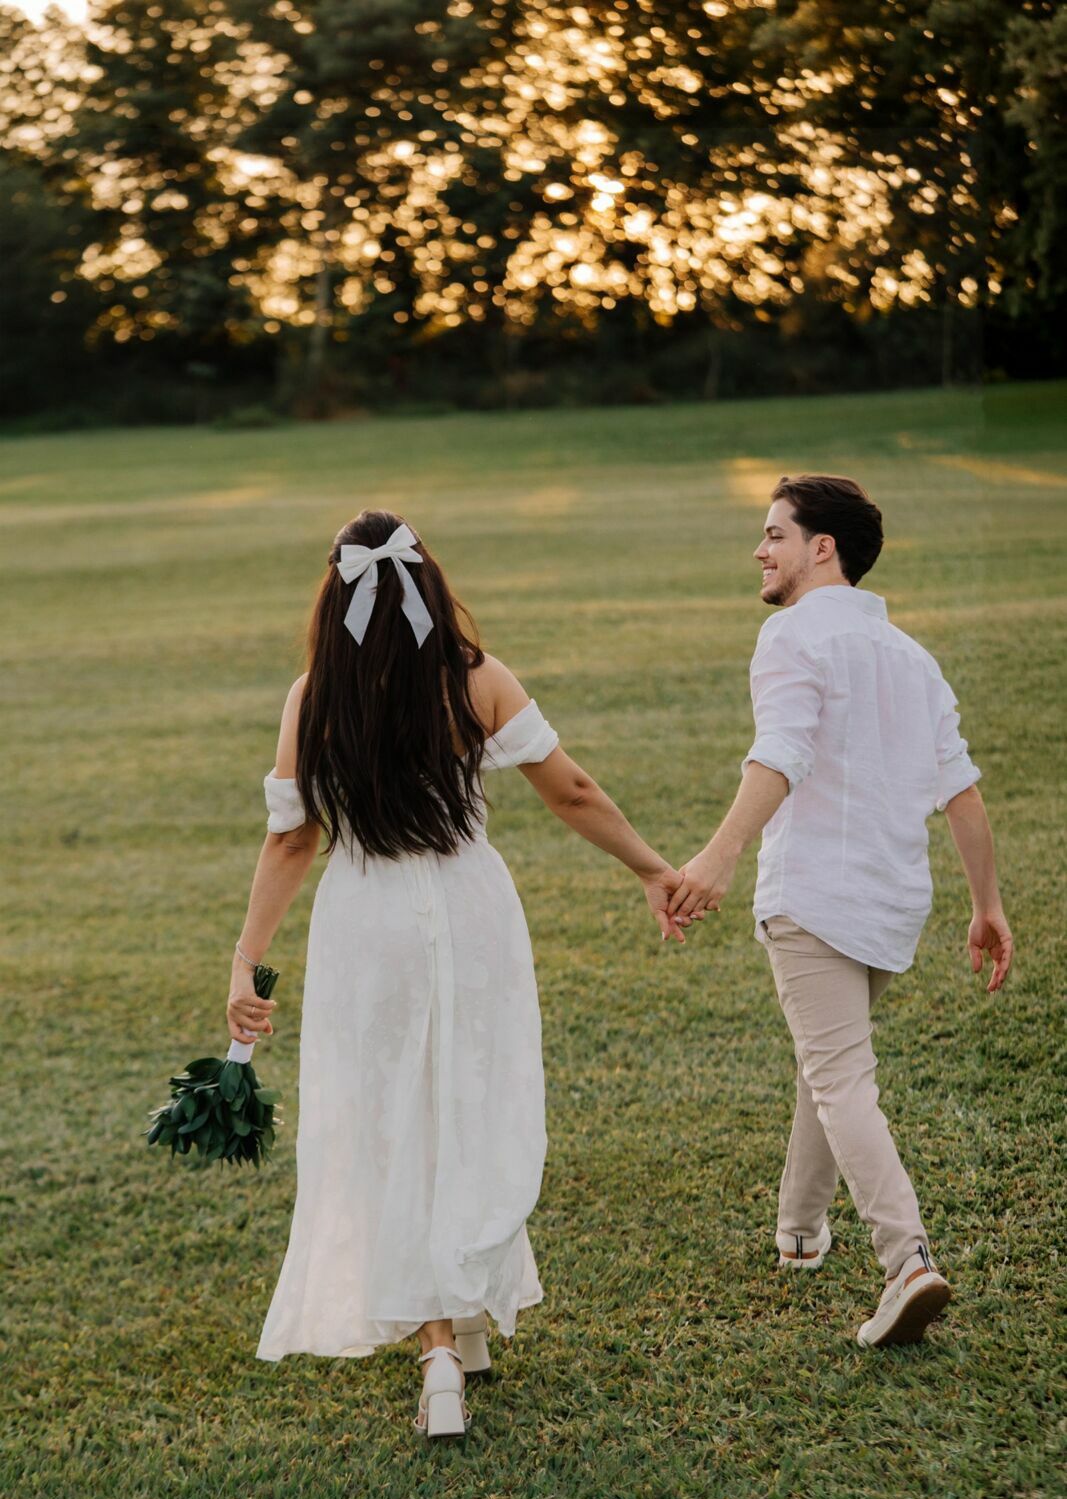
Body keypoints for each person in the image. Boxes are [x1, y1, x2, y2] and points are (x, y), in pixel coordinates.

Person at [226, 510, 683, 1439]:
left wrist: (247, 960)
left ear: (335, 593)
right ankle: (457, 1327)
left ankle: (443, 1344)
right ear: (427, 583)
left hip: (368, 925)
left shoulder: (313, 696)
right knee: (468, 1101)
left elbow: (291, 837)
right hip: (472, 917)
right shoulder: (476, 682)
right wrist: (650, 867)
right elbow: (573, 791)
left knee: (393, 1117)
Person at [669, 474, 1013, 1347]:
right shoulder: (912, 657)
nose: (760, 550)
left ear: (822, 547)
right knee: (825, 1065)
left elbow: (778, 752)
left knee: (838, 1079)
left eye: (773, 534)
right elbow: (962, 792)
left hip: (814, 897)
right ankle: (799, 1232)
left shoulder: (788, 636)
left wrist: (718, 854)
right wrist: (986, 907)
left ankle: (907, 1263)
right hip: (893, 910)